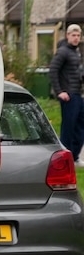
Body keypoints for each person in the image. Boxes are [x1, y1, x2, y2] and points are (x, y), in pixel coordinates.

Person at [50, 23, 84, 163]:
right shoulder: (63, 51)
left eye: (78, 36)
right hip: (69, 95)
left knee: (80, 126)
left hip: (78, 94)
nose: (76, 38)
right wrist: (60, 91)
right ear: (67, 36)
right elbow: (53, 71)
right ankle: (64, 158)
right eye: (73, 35)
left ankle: (74, 156)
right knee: (68, 128)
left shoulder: (77, 52)